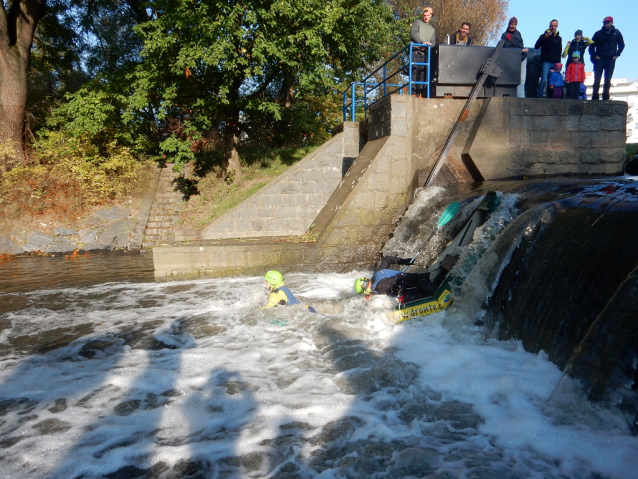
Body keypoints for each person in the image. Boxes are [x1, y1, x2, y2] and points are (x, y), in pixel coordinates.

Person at [354, 255, 438, 303]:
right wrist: (404, 261)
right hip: (410, 282)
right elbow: (387, 259)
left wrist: (422, 276)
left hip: (412, 288)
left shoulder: (381, 286)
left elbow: (400, 277)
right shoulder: (377, 273)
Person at [589, 16, 625, 101]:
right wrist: (594, 56)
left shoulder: (617, 33)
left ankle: (605, 97)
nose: (605, 24)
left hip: (610, 59)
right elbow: (591, 46)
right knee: (597, 79)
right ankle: (595, 97)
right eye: (604, 23)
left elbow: (622, 45)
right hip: (600, 59)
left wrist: (617, 55)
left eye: (607, 23)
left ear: (612, 22)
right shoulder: (598, 34)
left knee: (607, 79)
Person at [410, 7, 436, 97]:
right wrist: (421, 43)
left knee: (423, 72)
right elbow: (413, 33)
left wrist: (428, 45)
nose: (426, 17)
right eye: (424, 15)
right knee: (414, 70)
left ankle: (420, 93)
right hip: (415, 50)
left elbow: (433, 42)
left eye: (427, 15)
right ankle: (413, 92)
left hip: (424, 53)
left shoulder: (432, 29)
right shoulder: (417, 22)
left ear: (430, 16)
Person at [501, 17, 529, 97]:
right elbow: (506, 48)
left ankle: (521, 96)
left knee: (522, 80)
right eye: (512, 24)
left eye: (515, 24)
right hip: (512, 59)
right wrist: (520, 50)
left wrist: (522, 51)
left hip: (522, 58)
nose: (513, 26)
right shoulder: (505, 35)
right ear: (509, 24)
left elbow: (521, 43)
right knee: (513, 79)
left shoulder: (518, 33)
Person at [534, 20, 562, 98]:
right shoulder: (544, 36)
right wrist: (544, 38)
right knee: (543, 80)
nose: (553, 27)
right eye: (551, 26)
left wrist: (559, 63)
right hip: (546, 62)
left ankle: (551, 97)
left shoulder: (559, 38)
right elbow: (536, 46)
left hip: (555, 62)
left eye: (554, 26)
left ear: (557, 26)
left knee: (552, 81)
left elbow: (559, 51)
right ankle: (539, 96)